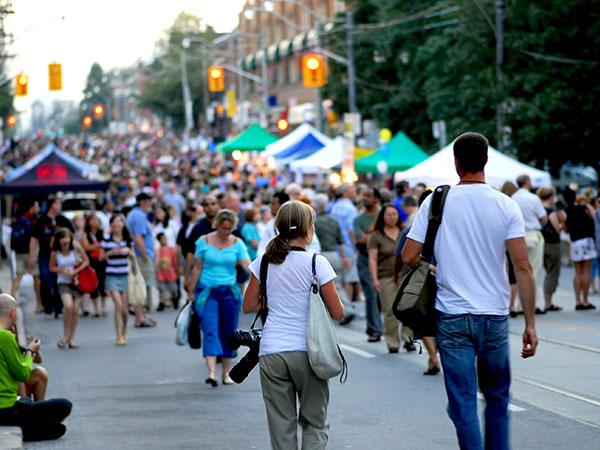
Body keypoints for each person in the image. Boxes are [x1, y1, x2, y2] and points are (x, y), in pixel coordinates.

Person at [402, 132, 538, 449]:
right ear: (487, 161)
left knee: (462, 402)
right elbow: (523, 267)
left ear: (456, 162)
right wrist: (530, 323)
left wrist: (437, 267)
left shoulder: (436, 202)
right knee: (497, 399)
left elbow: (409, 256)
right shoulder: (506, 205)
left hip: (452, 316)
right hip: (494, 315)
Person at [242, 201, 344, 450]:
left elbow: (248, 305)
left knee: (281, 425)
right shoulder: (316, 263)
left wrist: (275, 297)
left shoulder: (264, 262)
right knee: (315, 423)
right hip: (309, 352)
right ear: (309, 229)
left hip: (272, 351)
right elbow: (338, 312)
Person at [187, 210, 251, 386]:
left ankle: (226, 373)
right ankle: (212, 372)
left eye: (230, 229)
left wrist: (258, 273)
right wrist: (191, 290)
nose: (227, 232)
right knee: (210, 329)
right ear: (217, 225)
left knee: (229, 331)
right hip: (207, 291)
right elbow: (197, 268)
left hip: (229, 292)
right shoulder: (204, 241)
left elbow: (246, 264)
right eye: (224, 228)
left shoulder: (237, 243)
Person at [0, 294, 72, 441]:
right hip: (6, 408)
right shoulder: (4, 336)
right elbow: (23, 374)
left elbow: (31, 362)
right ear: (13, 313)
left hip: (10, 403)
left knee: (29, 402)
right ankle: (32, 427)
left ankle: (33, 427)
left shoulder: (7, 335)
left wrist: (32, 351)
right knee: (65, 405)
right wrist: (30, 351)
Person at [368, 204, 412, 353]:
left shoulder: (404, 232)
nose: (392, 217)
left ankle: (409, 338)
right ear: (382, 217)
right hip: (385, 276)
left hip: (404, 275)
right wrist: (374, 279)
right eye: (389, 215)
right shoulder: (376, 236)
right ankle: (392, 341)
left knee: (407, 307)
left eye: (394, 214)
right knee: (390, 309)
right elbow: (372, 259)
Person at [313, 193, 355, 324]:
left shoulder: (316, 222)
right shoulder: (333, 221)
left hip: (322, 254)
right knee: (337, 285)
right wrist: (344, 257)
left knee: (322, 287)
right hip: (335, 254)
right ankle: (346, 308)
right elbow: (340, 241)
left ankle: (341, 311)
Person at [31, 196, 74, 317]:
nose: (60, 206)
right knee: (46, 279)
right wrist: (31, 256)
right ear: (51, 205)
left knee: (57, 281)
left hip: (59, 256)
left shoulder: (63, 220)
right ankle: (47, 305)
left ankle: (58, 307)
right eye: (58, 203)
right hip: (44, 256)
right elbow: (34, 238)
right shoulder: (41, 220)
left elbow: (72, 236)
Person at [512, 174, 548, 314]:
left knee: (519, 270)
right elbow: (543, 218)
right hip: (533, 234)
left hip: (517, 235)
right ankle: (534, 304)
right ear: (527, 182)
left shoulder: (513, 198)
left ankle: (517, 304)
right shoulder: (533, 198)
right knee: (534, 270)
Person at [101, 215, 141, 341]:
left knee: (124, 309)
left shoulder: (128, 240)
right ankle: (118, 335)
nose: (116, 224)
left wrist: (127, 251)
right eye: (114, 222)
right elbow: (101, 257)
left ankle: (124, 331)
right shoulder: (106, 240)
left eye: (119, 221)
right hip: (112, 275)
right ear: (111, 225)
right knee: (118, 304)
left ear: (122, 224)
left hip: (125, 275)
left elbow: (134, 255)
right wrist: (111, 252)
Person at [50, 228, 89, 349]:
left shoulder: (76, 248)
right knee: (68, 306)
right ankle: (65, 335)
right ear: (59, 241)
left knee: (75, 311)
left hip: (77, 282)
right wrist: (63, 270)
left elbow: (86, 261)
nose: (65, 241)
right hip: (63, 282)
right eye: (62, 238)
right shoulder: (55, 252)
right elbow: (52, 267)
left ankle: (71, 338)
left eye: (67, 238)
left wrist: (75, 271)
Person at [353, 187, 383, 341]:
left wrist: (370, 236)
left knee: (382, 296)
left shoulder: (382, 215)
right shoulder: (358, 219)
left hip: (383, 259)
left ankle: (379, 326)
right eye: (364, 195)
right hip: (365, 259)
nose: (365, 198)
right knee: (371, 294)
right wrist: (377, 235)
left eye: (369, 195)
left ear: (377, 199)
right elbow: (360, 239)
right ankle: (374, 330)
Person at [560, 189, 597, 310]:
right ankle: (585, 300)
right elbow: (594, 219)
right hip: (587, 240)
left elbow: (565, 230)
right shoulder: (585, 208)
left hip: (575, 242)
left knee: (578, 272)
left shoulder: (564, 212)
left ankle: (578, 300)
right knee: (586, 271)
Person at [330, 183, 360, 304]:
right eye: (351, 189)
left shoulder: (334, 207)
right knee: (349, 279)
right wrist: (356, 246)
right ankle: (348, 307)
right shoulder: (350, 208)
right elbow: (352, 230)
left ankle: (340, 306)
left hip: (337, 248)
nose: (354, 191)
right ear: (345, 192)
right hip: (349, 248)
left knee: (340, 280)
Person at [126, 193, 156, 312]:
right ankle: (142, 307)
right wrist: (145, 256)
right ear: (143, 203)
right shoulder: (139, 216)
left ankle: (139, 307)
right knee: (144, 282)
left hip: (139, 253)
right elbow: (138, 238)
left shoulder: (135, 214)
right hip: (141, 255)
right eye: (149, 202)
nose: (151, 205)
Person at [537, 186, 564, 312]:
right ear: (551, 196)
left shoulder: (538, 209)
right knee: (553, 272)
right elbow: (557, 229)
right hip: (552, 244)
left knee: (546, 271)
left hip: (541, 242)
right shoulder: (551, 212)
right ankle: (548, 302)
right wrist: (561, 224)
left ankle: (546, 301)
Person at [10, 200, 41, 310]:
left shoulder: (18, 218)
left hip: (19, 251)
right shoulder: (33, 220)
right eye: (37, 206)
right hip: (29, 252)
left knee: (18, 275)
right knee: (36, 276)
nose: (39, 209)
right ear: (31, 207)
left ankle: (11, 301)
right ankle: (39, 303)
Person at [82, 214, 107, 317]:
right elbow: (86, 247)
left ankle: (103, 307)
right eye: (92, 220)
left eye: (96, 220)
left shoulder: (102, 232)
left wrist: (96, 247)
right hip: (91, 261)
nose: (95, 222)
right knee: (94, 283)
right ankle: (96, 308)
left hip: (101, 260)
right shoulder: (86, 233)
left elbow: (105, 244)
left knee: (103, 283)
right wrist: (98, 245)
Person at [155, 232, 179, 310]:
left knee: (173, 288)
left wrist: (176, 270)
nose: (164, 241)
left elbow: (174, 260)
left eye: (165, 239)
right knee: (161, 288)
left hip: (170, 272)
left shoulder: (170, 249)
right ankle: (161, 302)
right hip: (161, 273)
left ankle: (175, 299)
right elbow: (156, 262)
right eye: (162, 239)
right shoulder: (158, 251)